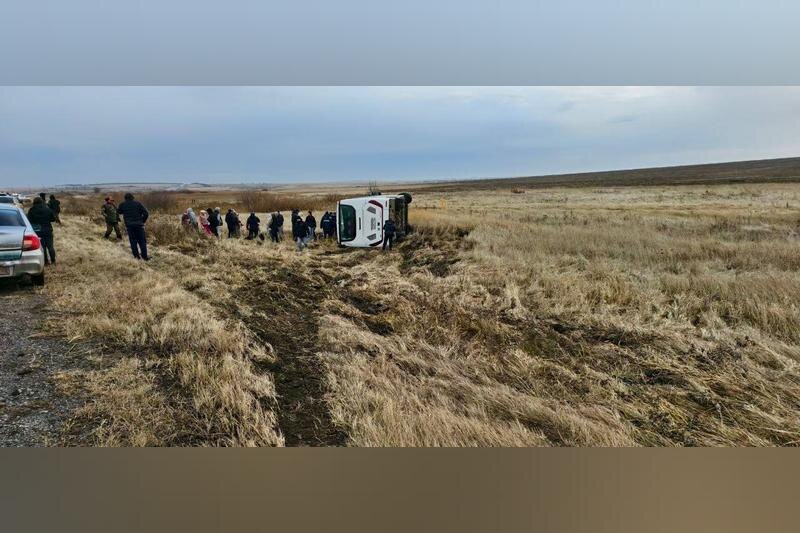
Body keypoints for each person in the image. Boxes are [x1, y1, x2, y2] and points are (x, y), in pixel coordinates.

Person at [116, 192, 150, 260]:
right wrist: (142, 221)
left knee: (133, 241)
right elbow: (146, 213)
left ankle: (136, 257)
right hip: (139, 225)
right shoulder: (138, 203)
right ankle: (145, 257)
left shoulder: (122, 204)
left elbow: (119, 212)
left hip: (129, 226)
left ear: (125, 198)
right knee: (142, 241)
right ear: (132, 198)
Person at [27, 197, 56, 265]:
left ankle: (45, 262)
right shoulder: (47, 209)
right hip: (48, 229)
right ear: (42, 202)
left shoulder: (31, 210)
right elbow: (53, 219)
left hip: (38, 230)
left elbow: (29, 220)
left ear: (34, 202)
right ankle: (53, 261)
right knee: (50, 246)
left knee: (42, 247)